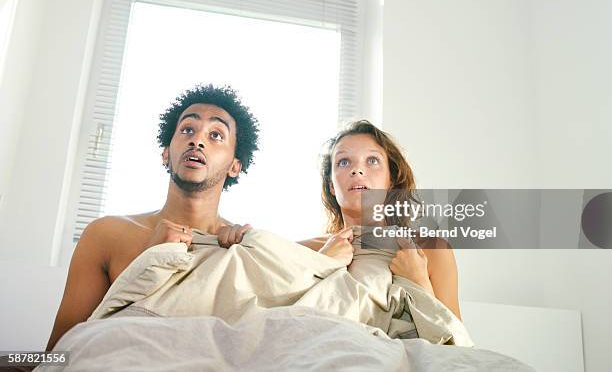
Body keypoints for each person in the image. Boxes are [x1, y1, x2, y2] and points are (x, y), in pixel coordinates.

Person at [46, 84, 259, 351]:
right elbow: (58, 353)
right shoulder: (107, 234)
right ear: (166, 154)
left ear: (234, 166)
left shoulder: (241, 249)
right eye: (187, 130)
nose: (198, 140)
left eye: (216, 135)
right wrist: (148, 261)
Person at [301, 120, 462, 320]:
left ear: (391, 179)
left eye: (372, 160)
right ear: (331, 185)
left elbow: (457, 345)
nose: (357, 170)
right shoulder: (306, 251)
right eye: (343, 162)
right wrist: (320, 263)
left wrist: (419, 283)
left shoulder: (431, 250)